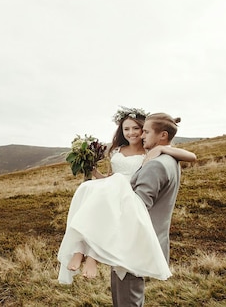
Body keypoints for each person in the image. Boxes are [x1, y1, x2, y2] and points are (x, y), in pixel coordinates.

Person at [56, 108, 195, 286]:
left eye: (138, 129)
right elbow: (110, 179)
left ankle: (93, 256)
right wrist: (92, 171)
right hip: (114, 188)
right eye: (126, 129)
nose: (132, 133)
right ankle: (79, 250)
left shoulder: (151, 151)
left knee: (105, 204)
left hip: (129, 193)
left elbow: (191, 156)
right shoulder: (117, 151)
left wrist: (160, 148)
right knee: (88, 191)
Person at [110, 112, 186, 306]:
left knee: (127, 298)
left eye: (145, 131)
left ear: (162, 136)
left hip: (134, 241)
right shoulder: (171, 160)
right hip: (149, 236)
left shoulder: (155, 165)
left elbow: (136, 209)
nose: (141, 135)